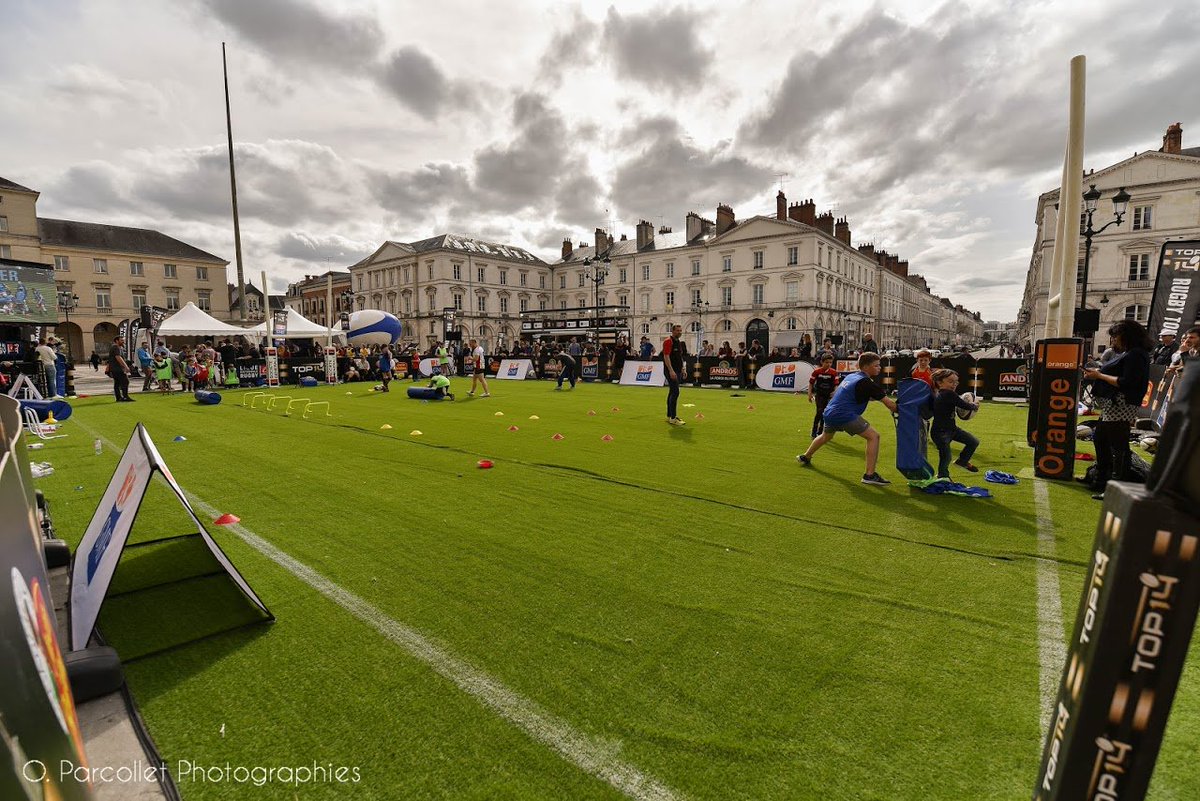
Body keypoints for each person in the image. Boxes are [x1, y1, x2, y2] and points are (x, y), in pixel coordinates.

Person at [796, 352, 898, 485]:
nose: (879, 368)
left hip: (830, 412)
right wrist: (907, 409)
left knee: (826, 436)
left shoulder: (852, 376)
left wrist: (877, 398)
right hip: (843, 414)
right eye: (876, 365)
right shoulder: (867, 383)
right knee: (874, 437)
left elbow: (862, 395)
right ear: (866, 367)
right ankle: (869, 475)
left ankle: (806, 456)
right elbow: (891, 405)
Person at [1082, 319, 1152, 500]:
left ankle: (1115, 486)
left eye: (1115, 337)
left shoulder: (1136, 355)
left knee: (1118, 444)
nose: (1113, 341)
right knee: (1100, 438)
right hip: (1114, 403)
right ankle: (1101, 477)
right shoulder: (1130, 353)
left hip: (1122, 403)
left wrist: (1099, 375)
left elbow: (1126, 382)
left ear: (1126, 336)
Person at [929, 369, 981, 478]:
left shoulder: (941, 394)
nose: (954, 384)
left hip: (951, 429)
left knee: (973, 441)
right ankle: (943, 477)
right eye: (950, 381)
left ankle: (962, 461)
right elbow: (964, 405)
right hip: (941, 433)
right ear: (940, 382)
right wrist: (975, 405)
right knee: (946, 456)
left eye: (956, 382)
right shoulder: (948, 394)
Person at [807, 353, 839, 437]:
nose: (828, 364)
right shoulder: (817, 372)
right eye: (826, 362)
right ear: (822, 362)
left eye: (830, 362)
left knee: (825, 413)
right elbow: (811, 383)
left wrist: (835, 392)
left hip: (829, 396)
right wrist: (809, 394)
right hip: (820, 395)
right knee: (819, 411)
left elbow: (836, 384)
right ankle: (814, 430)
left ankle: (820, 431)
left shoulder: (834, 372)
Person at [661, 323, 687, 425]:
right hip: (670, 370)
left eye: (680, 331)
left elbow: (680, 357)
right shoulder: (668, 341)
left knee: (672, 391)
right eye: (678, 331)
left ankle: (669, 415)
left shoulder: (678, 342)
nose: (679, 332)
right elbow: (666, 356)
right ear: (673, 331)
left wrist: (683, 369)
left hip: (677, 369)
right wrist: (671, 370)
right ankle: (673, 417)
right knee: (675, 392)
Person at [108, 335, 133, 402]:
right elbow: (118, 357)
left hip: (114, 368)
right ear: (117, 341)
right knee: (125, 381)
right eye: (121, 340)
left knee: (117, 383)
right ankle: (125, 396)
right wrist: (126, 366)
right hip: (117, 368)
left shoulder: (117, 347)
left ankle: (119, 398)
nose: (123, 342)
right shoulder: (116, 347)